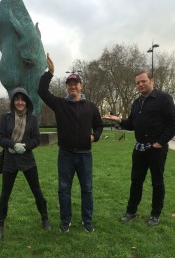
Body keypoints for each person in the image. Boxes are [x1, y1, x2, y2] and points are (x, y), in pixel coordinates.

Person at [37, 53, 103, 232]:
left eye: (76, 83)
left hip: (84, 155)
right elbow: (42, 91)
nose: (73, 86)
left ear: (81, 86)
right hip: (65, 154)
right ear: (67, 87)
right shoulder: (60, 104)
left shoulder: (91, 106)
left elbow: (99, 126)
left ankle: (87, 220)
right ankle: (65, 221)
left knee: (87, 189)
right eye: (70, 84)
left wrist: (94, 137)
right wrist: (49, 72)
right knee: (64, 190)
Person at [103, 70, 175, 226]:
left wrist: (160, 143)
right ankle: (131, 212)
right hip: (139, 148)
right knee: (136, 181)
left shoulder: (164, 99)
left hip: (156, 149)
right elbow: (132, 124)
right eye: (137, 83)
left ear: (151, 81)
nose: (140, 84)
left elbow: (172, 124)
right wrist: (119, 120)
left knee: (157, 182)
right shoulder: (136, 103)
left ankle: (155, 214)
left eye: (143, 81)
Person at [0, 87, 51, 240]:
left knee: (37, 190)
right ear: (13, 101)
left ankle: (45, 218)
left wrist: (25, 147)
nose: (20, 102)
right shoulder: (5, 117)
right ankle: (0, 224)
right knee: (5, 194)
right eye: (17, 99)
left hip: (27, 159)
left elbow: (36, 139)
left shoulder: (32, 118)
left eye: (22, 99)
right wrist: (12, 145)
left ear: (26, 102)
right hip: (10, 160)